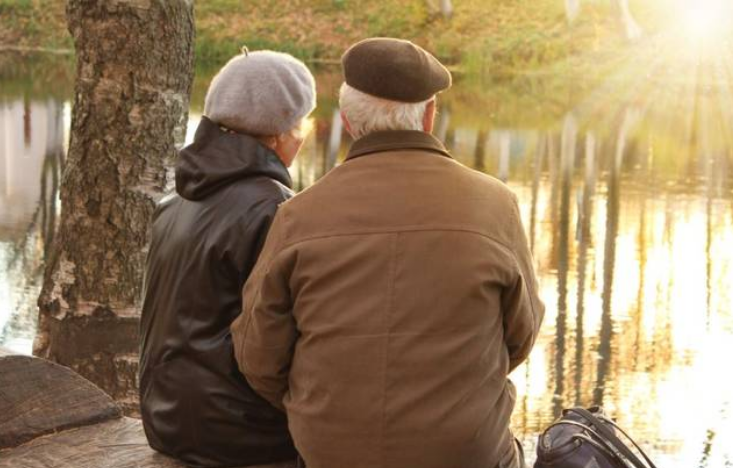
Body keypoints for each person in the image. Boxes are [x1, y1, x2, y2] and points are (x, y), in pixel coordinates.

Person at [231, 37, 545, 468]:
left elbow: (257, 355)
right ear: (429, 115)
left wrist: (324, 410)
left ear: (347, 118)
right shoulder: (495, 205)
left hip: (332, 454)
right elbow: (520, 336)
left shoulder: (297, 215)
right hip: (464, 454)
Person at [139, 50, 316, 468]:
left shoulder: (175, 201)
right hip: (239, 433)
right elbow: (281, 343)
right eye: (305, 122)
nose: (307, 134)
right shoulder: (275, 211)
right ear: (278, 134)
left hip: (164, 416)